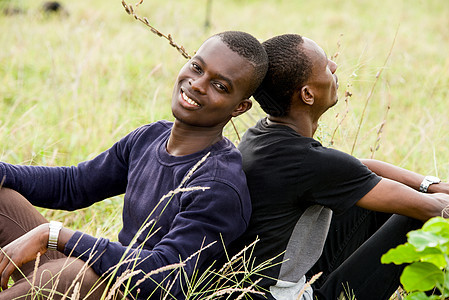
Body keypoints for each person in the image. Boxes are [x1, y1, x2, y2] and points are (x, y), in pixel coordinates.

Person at [0, 30, 268, 299]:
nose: (197, 84)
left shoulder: (218, 185)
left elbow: (165, 274)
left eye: (220, 86)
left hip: (133, 289)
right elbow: (74, 184)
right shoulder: (149, 137)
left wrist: (54, 235)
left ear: (239, 108)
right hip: (91, 275)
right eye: (197, 67)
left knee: (72, 272)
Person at [228, 33, 449, 300]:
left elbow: (360, 169)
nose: (334, 67)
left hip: (268, 284)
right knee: (418, 217)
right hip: (288, 296)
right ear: (307, 95)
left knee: (376, 205)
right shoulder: (308, 162)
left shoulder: (263, 136)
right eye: (325, 66)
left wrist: (432, 185)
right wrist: (433, 197)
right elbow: (437, 210)